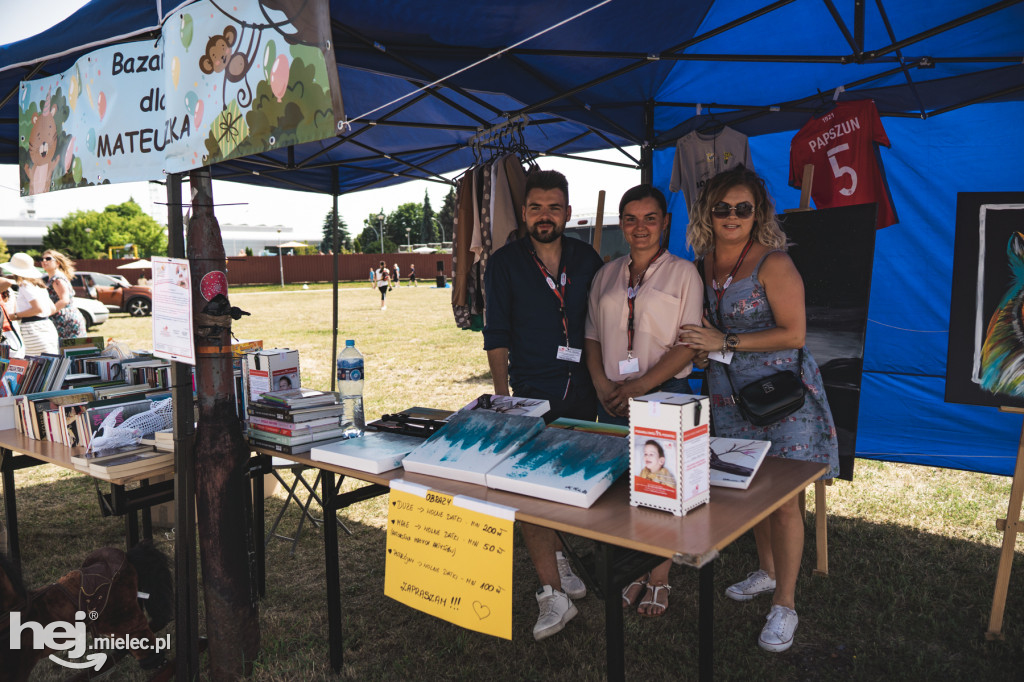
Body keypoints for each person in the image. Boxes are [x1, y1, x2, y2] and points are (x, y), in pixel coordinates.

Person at [678, 166, 839, 653]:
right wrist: (707, 350)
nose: (732, 216)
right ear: (709, 211)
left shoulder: (774, 264)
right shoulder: (704, 263)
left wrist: (724, 339)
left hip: (781, 399)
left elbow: (794, 334)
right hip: (729, 397)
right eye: (722, 208)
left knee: (785, 501)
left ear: (758, 213)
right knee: (751, 491)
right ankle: (767, 573)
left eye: (742, 208)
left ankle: (785, 605)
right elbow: (705, 329)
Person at [483, 169, 603, 641]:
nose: (545, 216)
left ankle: (560, 555)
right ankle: (551, 592)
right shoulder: (505, 263)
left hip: (585, 388)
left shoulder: (587, 258)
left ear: (567, 213)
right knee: (531, 490)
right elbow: (497, 335)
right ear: (525, 213)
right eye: (536, 208)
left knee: (571, 481)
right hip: (532, 392)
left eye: (554, 207)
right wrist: (502, 398)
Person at [583, 184, 702, 617]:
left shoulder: (684, 274)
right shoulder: (606, 274)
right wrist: (601, 384)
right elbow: (592, 335)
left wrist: (640, 386)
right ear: (622, 224)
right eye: (630, 219)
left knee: (662, 490)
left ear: (665, 222)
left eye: (650, 218)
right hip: (612, 397)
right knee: (623, 491)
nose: (640, 227)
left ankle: (659, 576)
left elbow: (689, 343)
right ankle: (632, 568)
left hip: (665, 396)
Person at [1, 252, 58, 356]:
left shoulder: (25, 285)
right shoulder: (39, 285)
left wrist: (15, 316)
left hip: (33, 329)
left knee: (36, 365)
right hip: (47, 326)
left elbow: (37, 309)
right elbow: (52, 308)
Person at [41, 249, 87, 340]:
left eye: (48, 259)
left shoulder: (57, 279)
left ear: (57, 263)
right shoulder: (55, 278)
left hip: (65, 319)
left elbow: (64, 300)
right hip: (64, 318)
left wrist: (47, 313)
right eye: (42, 259)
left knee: (69, 350)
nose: (44, 261)